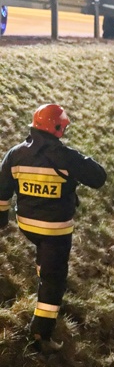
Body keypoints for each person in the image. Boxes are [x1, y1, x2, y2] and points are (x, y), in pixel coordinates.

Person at [0, 105, 107, 353]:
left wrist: (2, 219)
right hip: (54, 231)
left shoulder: (15, 154)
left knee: (45, 259)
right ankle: (41, 335)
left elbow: (2, 188)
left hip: (26, 225)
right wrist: (80, 159)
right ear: (58, 128)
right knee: (53, 279)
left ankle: (43, 271)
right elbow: (98, 178)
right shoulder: (66, 157)